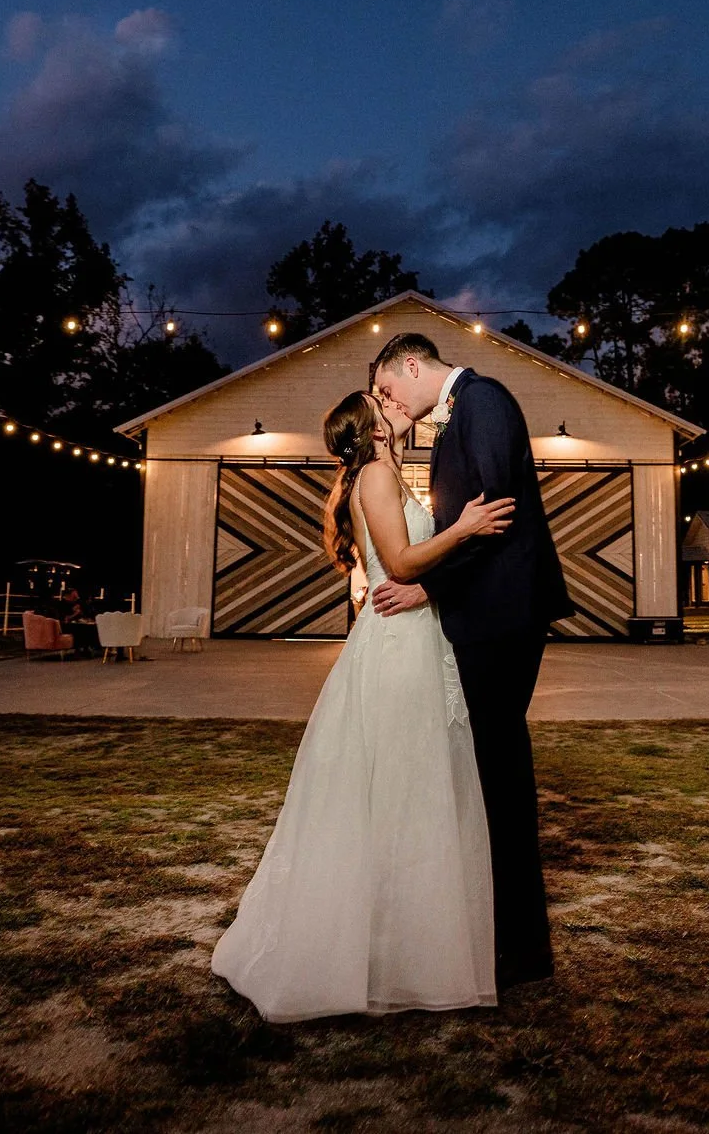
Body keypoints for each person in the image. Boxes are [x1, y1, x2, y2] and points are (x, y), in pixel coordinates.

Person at [211, 391, 517, 1022]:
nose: (394, 403)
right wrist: (463, 529)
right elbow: (401, 562)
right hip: (398, 647)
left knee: (403, 791)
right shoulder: (377, 476)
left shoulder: (385, 473)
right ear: (372, 430)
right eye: (382, 402)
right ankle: (380, 955)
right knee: (403, 786)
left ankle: (398, 948)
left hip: (414, 637)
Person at [369, 332, 572, 991]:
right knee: (493, 777)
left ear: (410, 364)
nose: (386, 401)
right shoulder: (463, 412)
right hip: (490, 614)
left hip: (501, 615)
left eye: (386, 388)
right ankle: (508, 939)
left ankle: (521, 952)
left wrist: (428, 586)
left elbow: (493, 517)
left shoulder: (481, 402)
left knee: (503, 780)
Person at [55, 586, 99, 657]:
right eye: (74, 596)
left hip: (77, 624)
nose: (76, 598)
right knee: (80, 629)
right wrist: (76, 613)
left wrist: (81, 614)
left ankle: (88, 647)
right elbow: (65, 619)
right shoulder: (61, 605)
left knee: (90, 627)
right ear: (68, 596)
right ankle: (79, 649)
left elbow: (84, 614)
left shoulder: (77, 603)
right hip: (65, 626)